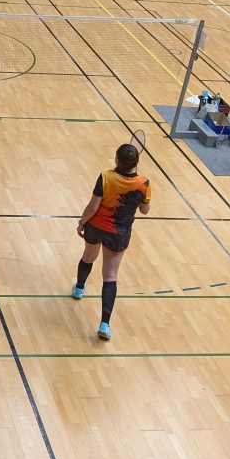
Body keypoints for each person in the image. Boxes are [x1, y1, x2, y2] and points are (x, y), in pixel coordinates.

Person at [72, 142, 151, 340]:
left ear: (116, 160)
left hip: (96, 227)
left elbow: (92, 207)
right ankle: (104, 325)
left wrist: (82, 222)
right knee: (110, 276)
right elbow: (145, 210)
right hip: (119, 233)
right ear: (136, 163)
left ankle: (79, 288)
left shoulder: (106, 177)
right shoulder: (144, 183)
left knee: (88, 257)